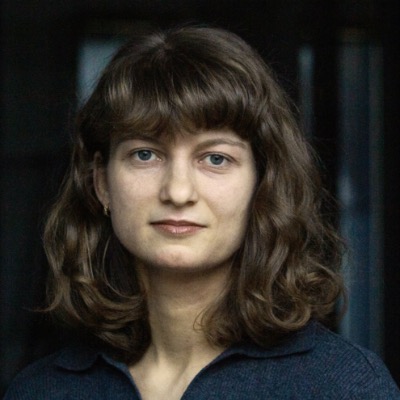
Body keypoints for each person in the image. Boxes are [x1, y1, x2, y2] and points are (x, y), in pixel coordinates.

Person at [4, 26, 400, 400]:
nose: (178, 192)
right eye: (145, 154)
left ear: (262, 184)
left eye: (215, 158)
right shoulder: (42, 391)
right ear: (102, 183)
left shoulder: (341, 385)